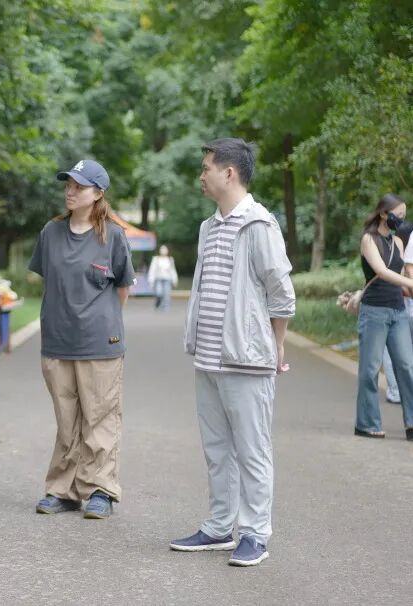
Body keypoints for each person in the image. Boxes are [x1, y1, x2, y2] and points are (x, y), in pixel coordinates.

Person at [170, 138, 294, 567]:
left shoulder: (259, 225)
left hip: (247, 358)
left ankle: (255, 533)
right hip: (207, 356)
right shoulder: (209, 227)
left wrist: (276, 344)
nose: (201, 176)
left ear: (229, 172)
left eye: (206, 168)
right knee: (217, 449)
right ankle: (221, 526)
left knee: (252, 449)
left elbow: (282, 293)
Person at [28, 159, 135, 520]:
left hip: (99, 342)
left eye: (79, 186)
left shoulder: (113, 236)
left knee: (100, 417)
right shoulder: (51, 233)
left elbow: (122, 289)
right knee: (66, 419)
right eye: (68, 185)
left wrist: (100, 322)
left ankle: (101, 489)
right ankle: (63, 490)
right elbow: (51, 281)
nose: (70, 191)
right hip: (57, 340)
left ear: (98, 193)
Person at [352, 193, 413, 441]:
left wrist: (408, 287)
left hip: (398, 310)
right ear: (383, 213)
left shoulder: (397, 242)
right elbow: (382, 271)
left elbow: (400, 278)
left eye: (404, 216)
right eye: (398, 215)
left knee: (407, 367)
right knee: (370, 369)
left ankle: (412, 423)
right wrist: (410, 282)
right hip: (374, 311)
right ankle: (367, 424)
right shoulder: (369, 239)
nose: (402, 220)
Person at [378, 220, 413, 404]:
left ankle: (395, 391)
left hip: (398, 310)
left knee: (390, 351)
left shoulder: (396, 254)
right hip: (402, 309)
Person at [147, 244, 178, 310]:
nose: (163, 250)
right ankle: (158, 302)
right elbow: (152, 270)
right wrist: (151, 280)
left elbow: (173, 270)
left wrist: (175, 280)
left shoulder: (170, 259)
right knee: (159, 293)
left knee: (166, 294)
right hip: (158, 279)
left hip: (167, 279)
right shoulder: (156, 259)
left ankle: (165, 307)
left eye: (165, 249)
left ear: (167, 250)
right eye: (162, 249)